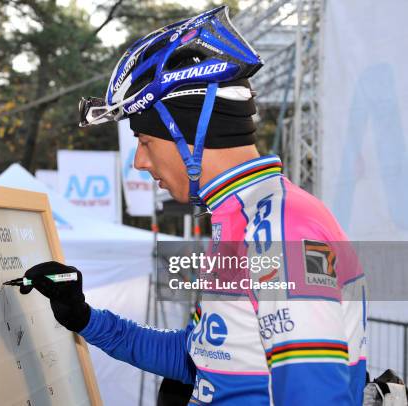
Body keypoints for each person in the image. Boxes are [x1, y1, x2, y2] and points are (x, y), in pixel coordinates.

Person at [21, 6, 367, 405]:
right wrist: (85, 318)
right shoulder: (244, 218)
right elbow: (200, 357)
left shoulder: (279, 227)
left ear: (190, 133)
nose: (139, 161)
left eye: (145, 141)